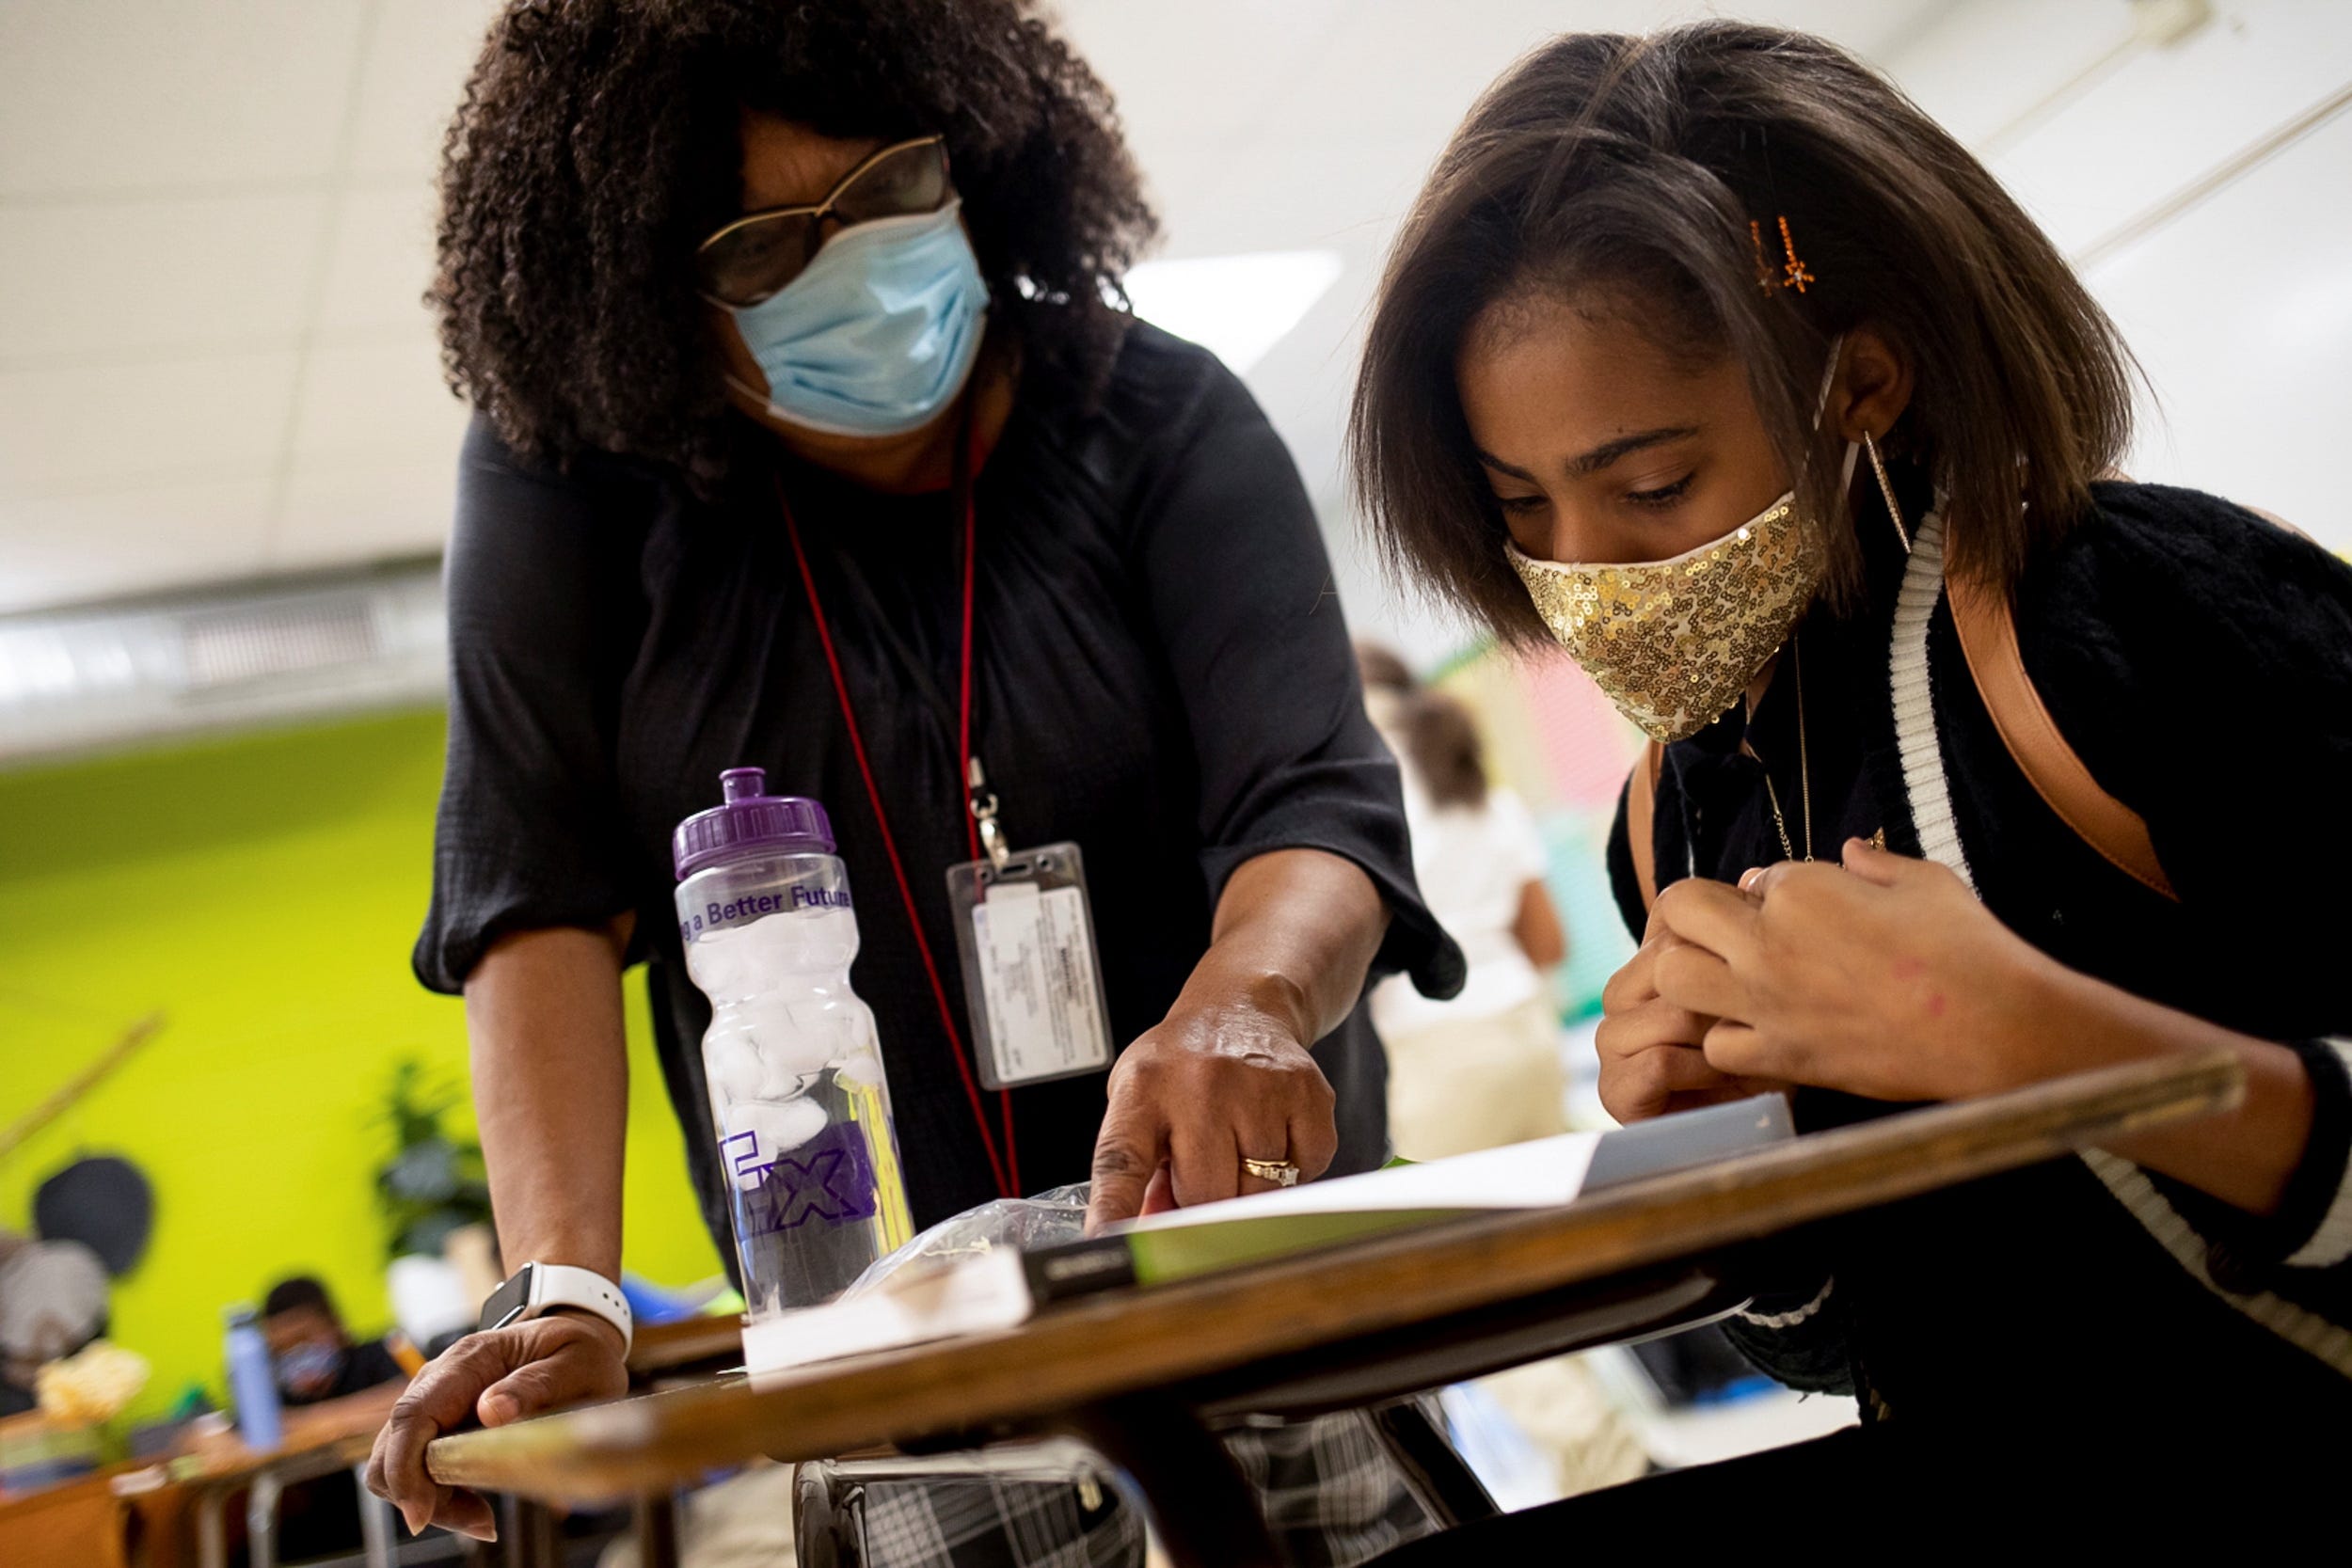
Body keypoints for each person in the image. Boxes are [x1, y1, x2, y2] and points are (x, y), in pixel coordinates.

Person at [371, 0, 1458, 1543]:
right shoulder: (572, 487)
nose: (854, 265)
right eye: (761, 251)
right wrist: (560, 1288)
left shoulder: (1158, 420)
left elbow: (1313, 804)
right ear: (645, 302)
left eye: (888, 189)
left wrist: (1249, 1001)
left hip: (1252, 1271)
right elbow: (531, 886)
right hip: (893, 1337)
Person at [1349, 20, 2352, 1541]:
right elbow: (1857, 1341)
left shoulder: (2129, 623)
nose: (1583, 571)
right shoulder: (1678, 809)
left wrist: (2034, 1040)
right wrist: (1727, 1182)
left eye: (1651, 485)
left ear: (1861, 381)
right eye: (1520, 508)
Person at [1356, 648, 1570, 1160]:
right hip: (1531, 1041)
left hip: (1434, 1058)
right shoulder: (1493, 805)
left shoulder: (1361, 817)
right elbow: (1547, 944)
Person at [261, 1276, 410, 1406]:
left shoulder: (380, 1354)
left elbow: (408, 1400)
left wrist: (303, 1423)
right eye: (281, 1348)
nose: (295, 1353)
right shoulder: (273, 1391)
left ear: (335, 1324)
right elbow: (245, 1432)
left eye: (303, 1339)